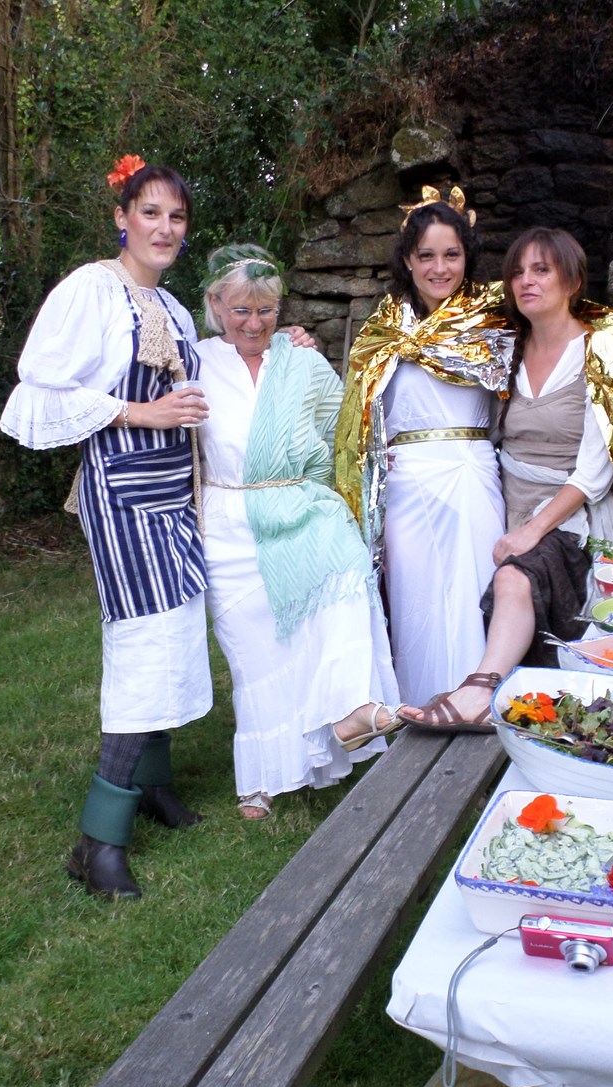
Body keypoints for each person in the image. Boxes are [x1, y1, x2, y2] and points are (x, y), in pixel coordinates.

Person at [0, 155, 212, 898]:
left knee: (176, 634)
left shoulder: (173, 308)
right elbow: (38, 386)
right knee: (145, 647)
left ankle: (151, 786)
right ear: (122, 218)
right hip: (122, 494)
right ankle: (96, 843)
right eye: (150, 212)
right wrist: (139, 411)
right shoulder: (92, 290)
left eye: (176, 216)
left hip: (173, 494)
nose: (164, 227)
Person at [401, 227, 613, 731]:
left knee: (514, 576)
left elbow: (594, 471)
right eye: (518, 272)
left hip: (569, 517)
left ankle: (480, 692)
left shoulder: (598, 353)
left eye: (542, 270)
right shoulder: (508, 351)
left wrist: (532, 530)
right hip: (507, 505)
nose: (527, 281)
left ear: (572, 281)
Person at [195, 244, 401, 819]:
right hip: (229, 519)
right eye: (241, 310)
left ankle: (350, 709)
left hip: (300, 505)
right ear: (215, 304)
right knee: (254, 654)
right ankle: (262, 775)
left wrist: (338, 497)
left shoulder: (302, 362)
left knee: (346, 575)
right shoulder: (196, 362)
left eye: (266, 310)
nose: (254, 323)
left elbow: (340, 435)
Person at [334, 186, 515, 708]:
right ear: (408, 260)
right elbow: (358, 413)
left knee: (475, 595)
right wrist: (375, 455)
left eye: (451, 255)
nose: (440, 268)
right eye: (427, 255)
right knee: (415, 603)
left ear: (467, 257)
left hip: (471, 472)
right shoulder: (384, 329)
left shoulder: (493, 320)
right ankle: (418, 711)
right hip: (406, 483)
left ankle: (480, 708)